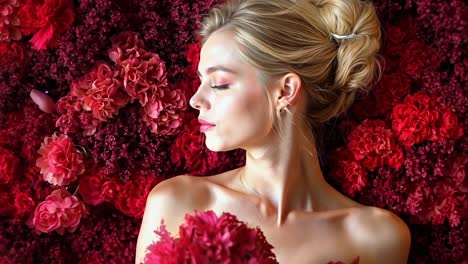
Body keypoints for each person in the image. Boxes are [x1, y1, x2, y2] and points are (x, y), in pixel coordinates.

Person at [136, 0, 411, 263]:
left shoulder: (378, 238)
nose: (195, 99)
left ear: (285, 91)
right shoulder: (177, 203)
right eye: (200, 80)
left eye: (219, 84)